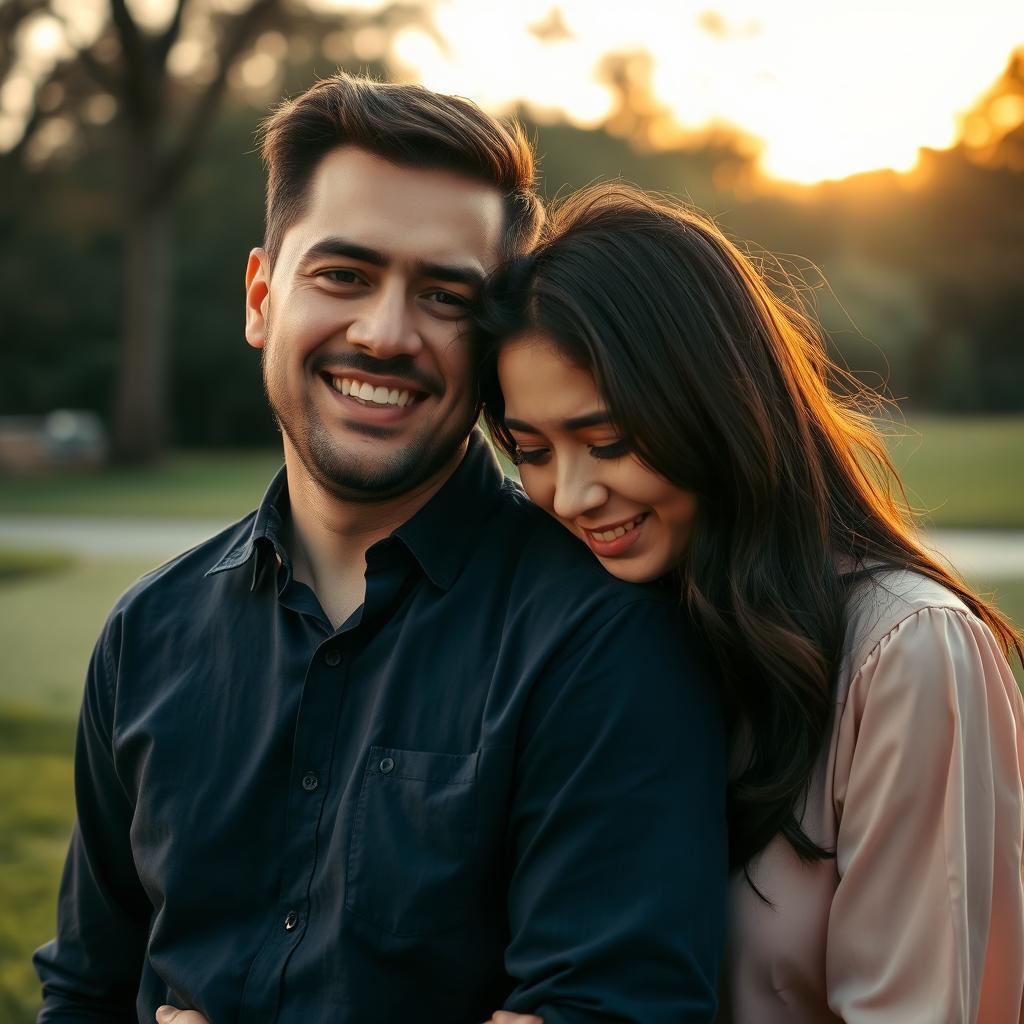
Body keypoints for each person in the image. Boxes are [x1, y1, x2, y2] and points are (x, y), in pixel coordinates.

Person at [33, 76, 729, 1023]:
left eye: (445, 295)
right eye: (344, 276)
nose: (387, 334)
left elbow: (614, 1012)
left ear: (488, 347)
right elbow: (85, 992)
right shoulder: (145, 634)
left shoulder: (602, 640)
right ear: (260, 298)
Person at [474, 183, 1024, 1023]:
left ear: (714, 403)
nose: (571, 494)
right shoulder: (603, 643)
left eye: (609, 440)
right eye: (532, 450)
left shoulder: (907, 654)